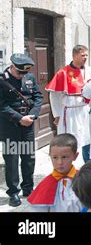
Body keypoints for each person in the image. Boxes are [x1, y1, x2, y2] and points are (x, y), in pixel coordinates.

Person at [0, 53, 43, 207]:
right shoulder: (2, 80)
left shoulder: (29, 78)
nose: (21, 76)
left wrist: (33, 115)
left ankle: (28, 188)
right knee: (11, 160)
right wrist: (19, 118)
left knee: (28, 158)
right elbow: (2, 106)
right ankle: (13, 193)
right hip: (10, 126)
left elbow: (38, 97)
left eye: (24, 73)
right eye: (19, 73)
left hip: (28, 124)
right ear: (12, 67)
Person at [46, 45, 91, 162]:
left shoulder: (90, 71)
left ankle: (87, 163)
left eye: (87, 55)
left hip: (85, 109)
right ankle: (70, 163)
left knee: (87, 138)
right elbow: (55, 95)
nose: (85, 57)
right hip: (70, 112)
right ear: (74, 55)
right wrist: (57, 115)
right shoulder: (63, 73)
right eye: (83, 55)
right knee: (70, 139)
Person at [27, 134, 82, 212]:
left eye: (64, 157)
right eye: (55, 157)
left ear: (75, 156)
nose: (59, 162)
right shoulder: (45, 185)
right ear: (50, 156)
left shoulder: (83, 179)